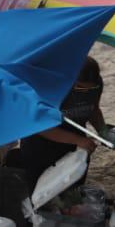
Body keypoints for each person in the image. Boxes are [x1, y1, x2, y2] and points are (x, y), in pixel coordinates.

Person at [12, 56, 106, 186]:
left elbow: (93, 108)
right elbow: (39, 125)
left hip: (74, 137)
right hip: (41, 143)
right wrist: (78, 140)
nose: (86, 92)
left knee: (72, 190)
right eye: (80, 87)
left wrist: (103, 131)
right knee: (42, 191)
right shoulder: (50, 86)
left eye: (90, 88)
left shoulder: (96, 85)